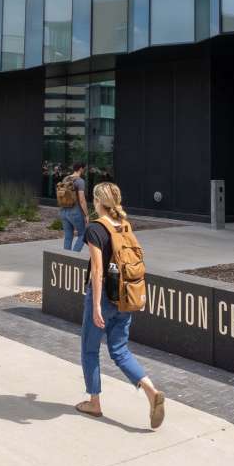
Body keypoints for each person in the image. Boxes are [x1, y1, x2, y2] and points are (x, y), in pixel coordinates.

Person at [75, 182, 165, 429]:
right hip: (125, 297)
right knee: (120, 350)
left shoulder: (95, 229)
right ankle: (150, 389)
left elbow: (97, 269)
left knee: (89, 349)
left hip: (103, 297)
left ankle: (94, 403)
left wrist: (95, 306)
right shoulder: (124, 226)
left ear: (96, 201)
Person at [59, 163, 90, 252]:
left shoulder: (65, 179)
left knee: (68, 236)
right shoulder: (80, 181)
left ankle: (66, 259)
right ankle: (74, 257)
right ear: (80, 169)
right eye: (84, 169)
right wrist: (86, 215)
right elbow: (82, 200)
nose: (84, 171)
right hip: (75, 211)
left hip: (64, 210)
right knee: (83, 234)